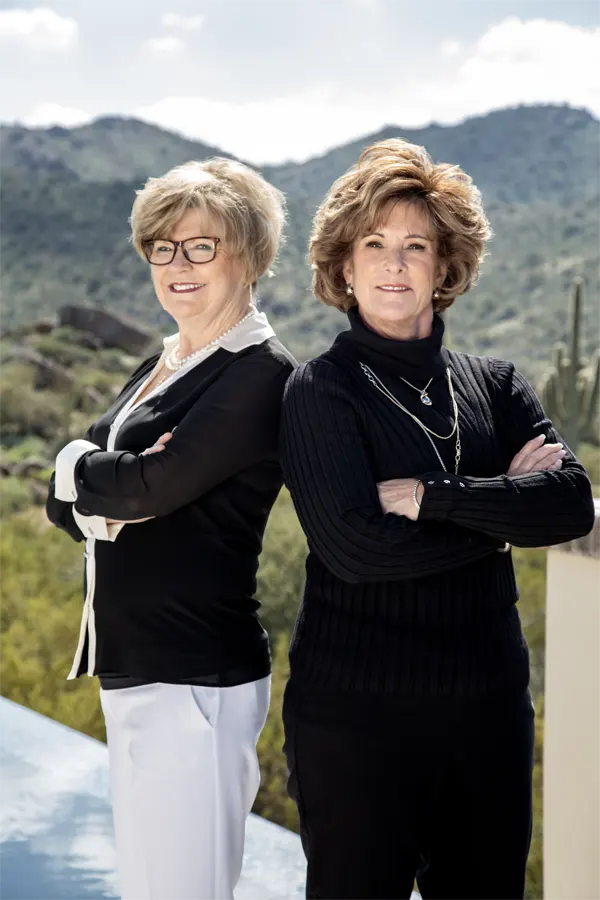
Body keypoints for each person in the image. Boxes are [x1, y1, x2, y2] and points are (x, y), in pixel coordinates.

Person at [279, 138, 595, 900]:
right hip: (356, 724)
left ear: (445, 265)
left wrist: (433, 496)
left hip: (487, 717)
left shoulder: (498, 384)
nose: (394, 264)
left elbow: (567, 502)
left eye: (415, 246)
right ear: (343, 267)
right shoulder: (320, 391)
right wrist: (502, 509)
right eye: (374, 244)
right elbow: (357, 549)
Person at [45, 157, 296, 900]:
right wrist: (85, 468)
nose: (177, 265)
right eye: (162, 247)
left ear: (248, 256)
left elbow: (154, 488)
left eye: (201, 246)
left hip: (195, 679)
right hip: (138, 670)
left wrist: (94, 474)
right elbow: (70, 504)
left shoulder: (258, 373)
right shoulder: (166, 363)